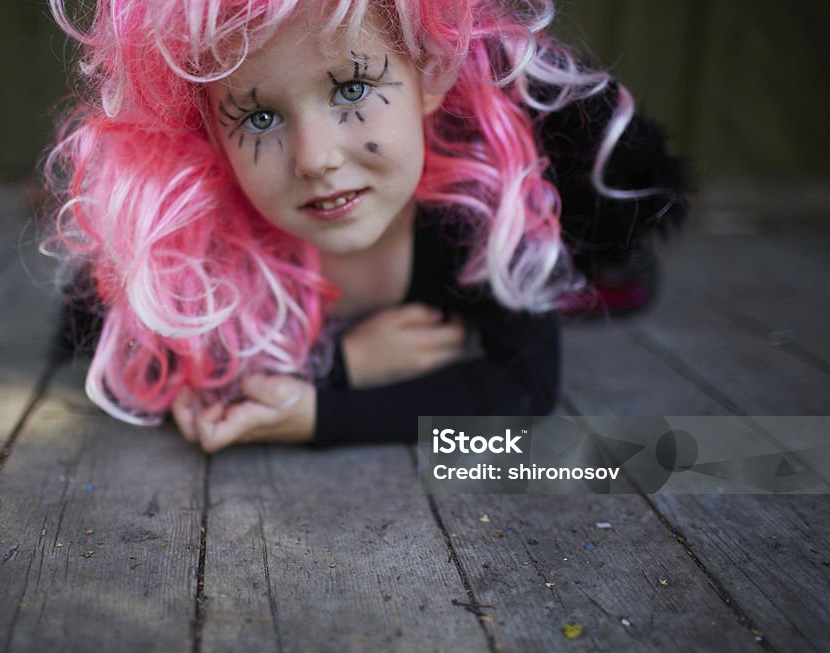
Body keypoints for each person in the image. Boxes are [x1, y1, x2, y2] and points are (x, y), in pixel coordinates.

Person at [43, 0, 688, 452]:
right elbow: (136, 360)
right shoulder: (203, 254)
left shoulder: (479, 214)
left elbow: (525, 389)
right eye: (258, 118)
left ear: (430, 73)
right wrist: (344, 366)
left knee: (585, 274)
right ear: (211, 132)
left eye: (352, 88)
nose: (315, 158)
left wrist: (319, 413)